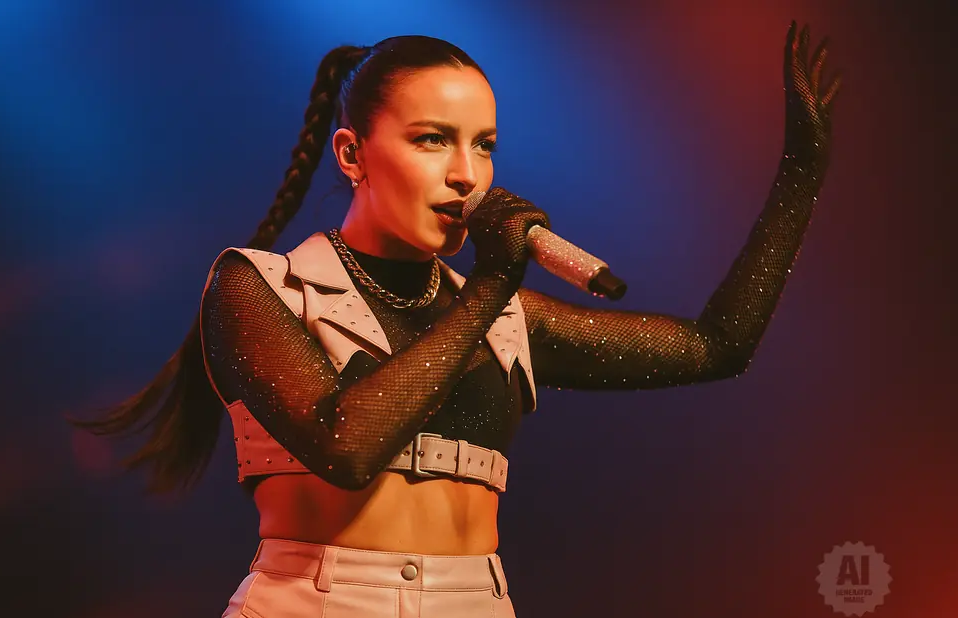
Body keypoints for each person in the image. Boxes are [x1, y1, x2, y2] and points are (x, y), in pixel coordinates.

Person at [72, 22, 840, 617]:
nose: (467, 175)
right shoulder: (261, 288)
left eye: (485, 145)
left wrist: (800, 172)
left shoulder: (502, 315)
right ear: (352, 153)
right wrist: (493, 283)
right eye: (432, 140)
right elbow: (346, 446)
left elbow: (716, 346)